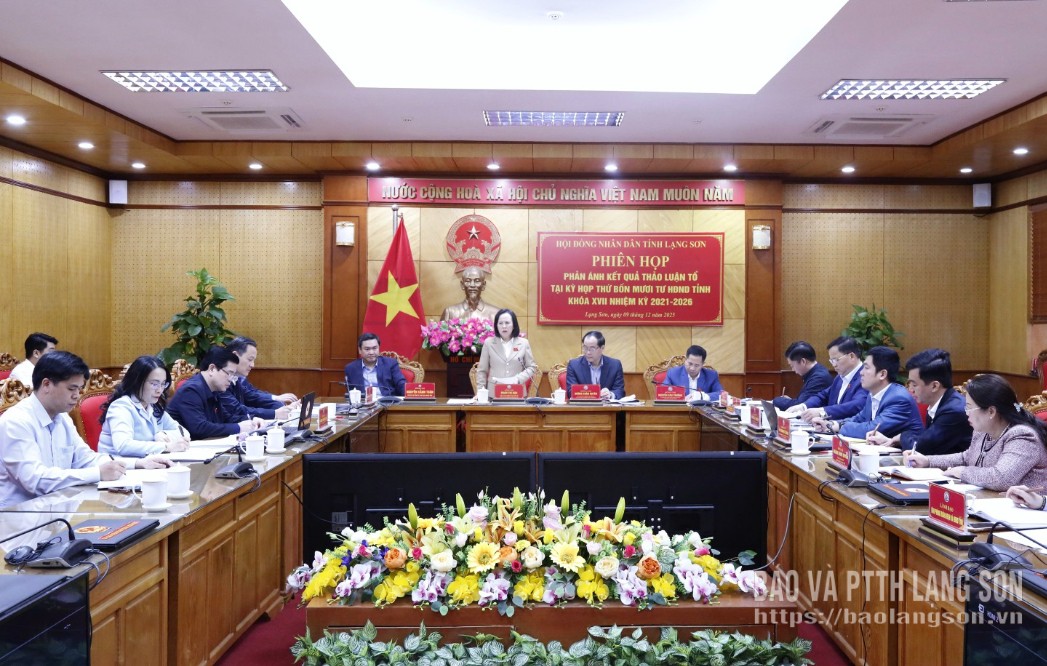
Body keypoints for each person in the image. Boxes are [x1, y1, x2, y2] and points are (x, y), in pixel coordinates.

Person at [0, 351, 169, 508]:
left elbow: (86, 458)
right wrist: (97, 473)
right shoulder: (16, 422)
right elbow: (36, 480)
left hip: (59, 507)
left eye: (79, 389)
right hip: (20, 516)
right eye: (71, 389)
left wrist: (138, 464)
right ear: (46, 384)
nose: (77, 395)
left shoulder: (62, 418)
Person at [904, 374, 1047, 491]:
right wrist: (928, 461)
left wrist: (962, 472)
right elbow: (967, 457)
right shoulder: (983, 431)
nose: (966, 413)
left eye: (969, 408)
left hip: (1023, 511)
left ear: (991, 411)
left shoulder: (1022, 436)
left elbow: (1000, 478)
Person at [866, 348, 970, 455]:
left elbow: (921, 448)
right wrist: (889, 440)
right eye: (909, 384)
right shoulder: (938, 404)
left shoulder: (954, 411)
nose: (910, 390)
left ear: (934, 386)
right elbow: (926, 441)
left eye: (914, 385)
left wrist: (902, 437)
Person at [813, 346, 923, 443]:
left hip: (907, 456)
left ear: (882, 374)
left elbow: (871, 428)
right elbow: (859, 418)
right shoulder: (874, 394)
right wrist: (831, 424)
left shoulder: (899, 399)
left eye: (866, 368)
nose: (861, 372)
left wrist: (837, 427)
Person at [98, 355, 190, 457]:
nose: (160, 390)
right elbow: (123, 446)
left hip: (147, 463)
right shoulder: (120, 407)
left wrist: (163, 434)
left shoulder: (153, 406)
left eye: (163, 384)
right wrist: (166, 446)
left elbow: (184, 433)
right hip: (118, 464)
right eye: (154, 384)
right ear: (137, 382)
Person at [167, 347, 266, 439]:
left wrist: (251, 420)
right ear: (212, 369)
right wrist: (239, 427)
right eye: (229, 373)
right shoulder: (190, 390)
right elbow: (199, 428)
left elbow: (227, 418)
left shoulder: (214, 389)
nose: (231, 379)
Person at [220, 336, 298, 420]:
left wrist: (285, 407)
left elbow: (251, 395)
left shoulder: (236, 378)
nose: (252, 365)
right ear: (235, 355)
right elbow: (236, 410)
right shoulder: (221, 380)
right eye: (250, 359)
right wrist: (275, 413)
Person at [796, 337, 868, 422]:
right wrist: (803, 406)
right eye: (831, 361)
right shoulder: (839, 377)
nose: (834, 365)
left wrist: (823, 412)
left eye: (836, 360)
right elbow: (823, 396)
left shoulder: (865, 377)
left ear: (851, 356)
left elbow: (856, 405)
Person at [475, 309, 538, 392]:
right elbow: (482, 371)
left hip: (516, 392)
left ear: (514, 325)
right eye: (500, 323)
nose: (504, 326)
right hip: (494, 393)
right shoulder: (489, 343)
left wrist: (518, 379)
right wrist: (480, 392)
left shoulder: (523, 343)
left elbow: (531, 367)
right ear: (496, 326)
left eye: (507, 323)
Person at [772, 341, 832, 410]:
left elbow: (801, 405)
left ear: (803, 361)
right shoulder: (815, 372)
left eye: (792, 365)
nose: (792, 369)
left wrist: (776, 400)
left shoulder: (819, 378)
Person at [566, 331, 625, 400]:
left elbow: (620, 391)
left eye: (592, 349)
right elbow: (571, 391)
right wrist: (594, 394)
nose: (588, 352)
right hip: (584, 405)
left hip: (607, 406)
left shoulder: (615, 365)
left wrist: (610, 394)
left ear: (602, 348)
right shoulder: (574, 365)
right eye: (585, 348)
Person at [344, 333, 406, 397]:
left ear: (379, 348)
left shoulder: (390, 364)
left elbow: (401, 384)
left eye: (374, 348)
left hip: (387, 401)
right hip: (363, 402)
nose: (371, 352)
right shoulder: (351, 368)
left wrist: (408, 397)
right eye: (367, 349)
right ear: (360, 350)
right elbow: (351, 393)